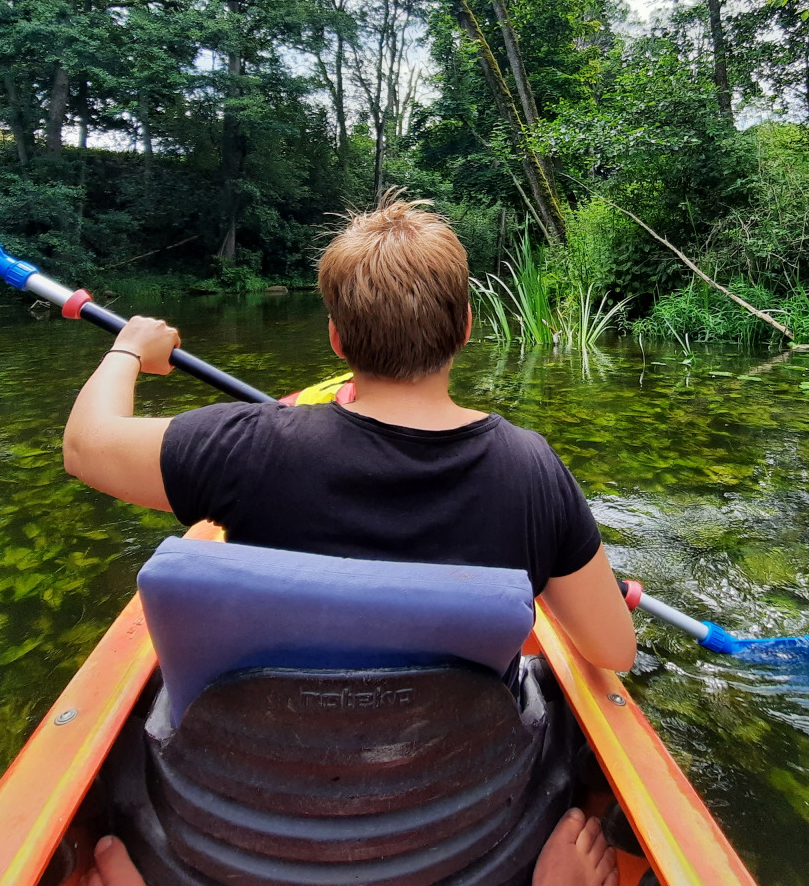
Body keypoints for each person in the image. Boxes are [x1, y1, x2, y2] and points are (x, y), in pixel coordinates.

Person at [64, 197, 635, 886]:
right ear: (466, 327)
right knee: (561, 698)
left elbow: (86, 446)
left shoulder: (250, 449)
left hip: (246, 826)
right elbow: (614, 651)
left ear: (336, 338)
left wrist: (129, 347)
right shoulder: (532, 470)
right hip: (463, 834)